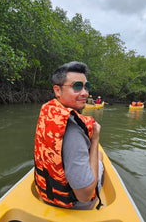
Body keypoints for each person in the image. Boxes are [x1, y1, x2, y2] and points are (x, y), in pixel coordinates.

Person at [34, 61, 104, 210]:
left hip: (47, 192)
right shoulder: (74, 130)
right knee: (99, 158)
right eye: (77, 87)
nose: (85, 93)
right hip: (74, 204)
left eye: (87, 87)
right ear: (58, 91)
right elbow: (84, 195)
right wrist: (96, 137)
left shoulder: (50, 110)